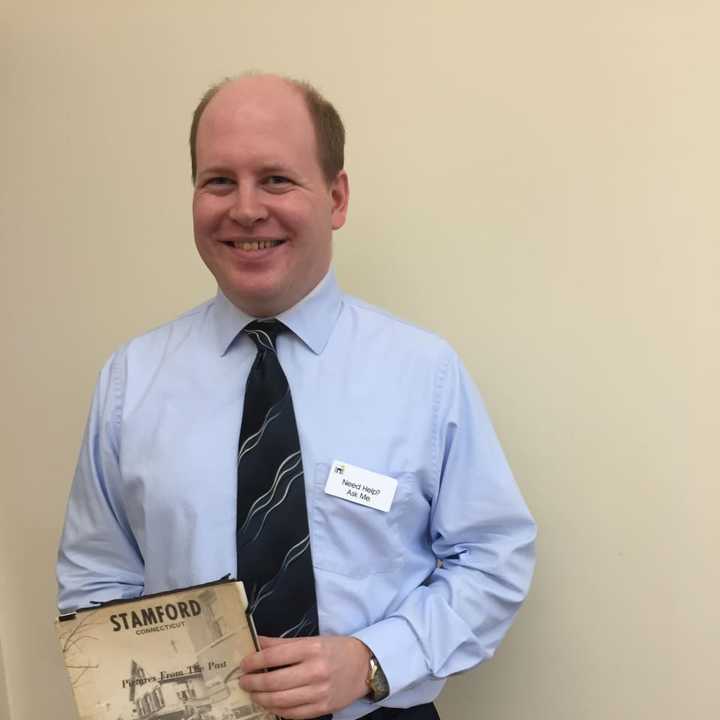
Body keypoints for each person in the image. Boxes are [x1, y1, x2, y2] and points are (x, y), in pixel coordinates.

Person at [57, 73, 537, 720]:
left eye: (277, 179)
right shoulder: (130, 381)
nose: (246, 209)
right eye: (219, 180)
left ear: (336, 198)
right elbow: (96, 579)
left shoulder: (423, 373)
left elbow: (492, 559)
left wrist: (373, 659)